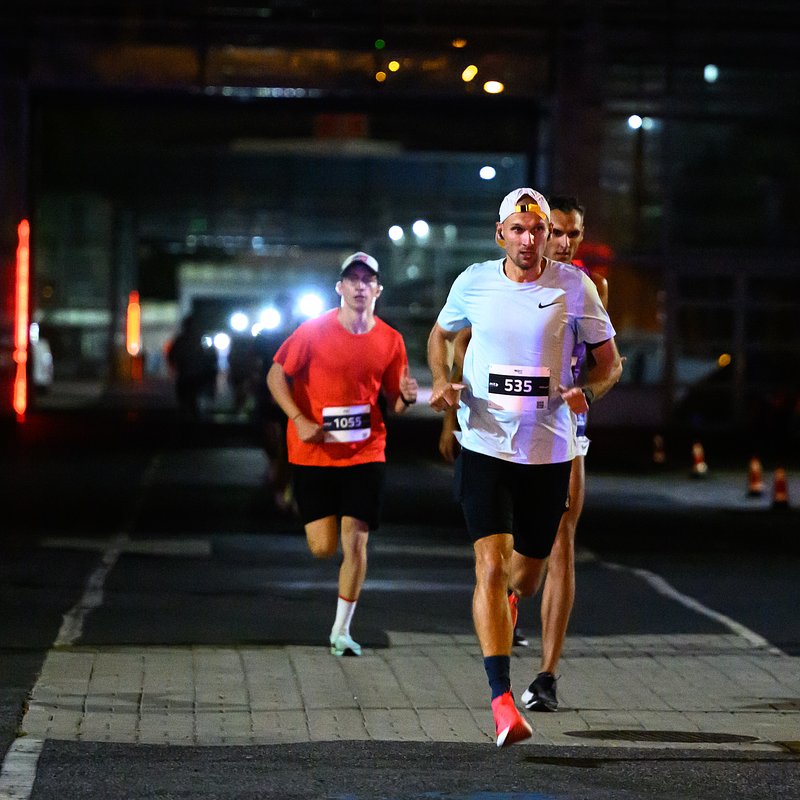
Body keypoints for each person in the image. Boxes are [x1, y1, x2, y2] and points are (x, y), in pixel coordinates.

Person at [427, 188, 622, 747]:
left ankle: (513, 600)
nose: (530, 240)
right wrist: (442, 382)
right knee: (488, 565)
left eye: (538, 230)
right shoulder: (474, 282)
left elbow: (609, 363)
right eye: (519, 229)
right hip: (485, 443)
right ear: (501, 235)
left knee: (526, 575)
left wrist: (589, 390)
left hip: (550, 450)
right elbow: (441, 335)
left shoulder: (576, 287)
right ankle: (502, 701)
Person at [267, 252, 418, 657]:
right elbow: (275, 374)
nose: (359, 286)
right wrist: (298, 418)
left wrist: (406, 399)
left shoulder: (390, 339)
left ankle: (341, 631)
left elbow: (395, 401)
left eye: (367, 280)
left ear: (377, 290)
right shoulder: (312, 332)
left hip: (366, 452)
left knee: (356, 542)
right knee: (322, 547)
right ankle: (320, 525)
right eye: (352, 279)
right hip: (313, 452)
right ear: (339, 288)